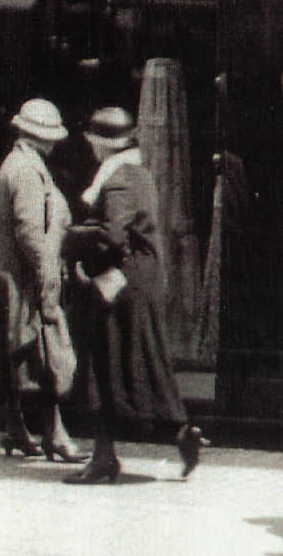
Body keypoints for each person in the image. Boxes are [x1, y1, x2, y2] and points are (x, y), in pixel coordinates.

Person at [58, 106, 202, 484]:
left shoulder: (118, 178)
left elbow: (112, 235)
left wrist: (72, 239)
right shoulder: (139, 172)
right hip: (139, 284)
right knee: (141, 366)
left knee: (105, 369)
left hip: (120, 285)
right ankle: (180, 432)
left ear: (99, 144)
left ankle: (105, 457)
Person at [0, 98, 82, 463]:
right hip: (23, 279)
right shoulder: (25, 170)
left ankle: (17, 427)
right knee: (46, 354)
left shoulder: (19, 164)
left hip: (12, 277)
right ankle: (53, 433)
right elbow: (29, 232)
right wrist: (46, 276)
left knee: (22, 358)